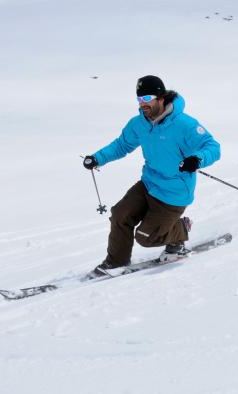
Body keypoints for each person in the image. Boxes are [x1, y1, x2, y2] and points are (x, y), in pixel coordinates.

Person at [83, 75, 221, 277]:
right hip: (149, 183)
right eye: (139, 99)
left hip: (173, 192)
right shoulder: (139, 123)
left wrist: (197, 159)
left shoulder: (184, 124)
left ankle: (180, 230)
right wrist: (97, 158)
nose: (143, 104)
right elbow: (122, 145)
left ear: (161, 97)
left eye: (147, 98)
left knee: (146, 237)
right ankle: (116, 262)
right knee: (120, 214)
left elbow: (213, 147)